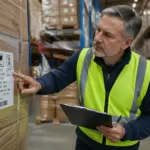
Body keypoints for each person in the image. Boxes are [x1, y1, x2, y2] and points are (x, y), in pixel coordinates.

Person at [14, 5, 150, 150]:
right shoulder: (83, 57)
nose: (97, 38)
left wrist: (126, 131)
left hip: (123, 147)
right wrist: (39, 84)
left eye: (107, 35)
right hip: (86, 143)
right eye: (98, 30)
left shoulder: (146, 70)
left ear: (126, 43)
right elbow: (57, 77)